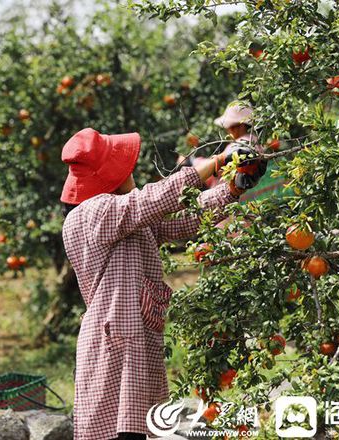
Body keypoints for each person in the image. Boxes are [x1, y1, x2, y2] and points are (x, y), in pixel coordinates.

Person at [60, 128, 265, 440]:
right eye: (125, 168)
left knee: (138, 429)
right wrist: (216, 162)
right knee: (117, 431)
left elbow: (184, 220)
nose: (132, 173)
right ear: (110, 177)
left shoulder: (124, 218)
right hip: (112, 342)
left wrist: (233, 189)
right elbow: (151, 200)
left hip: (135, 338)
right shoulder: (92, 214)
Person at [178, 102, 260, 188]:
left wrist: (192, 161)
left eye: (231, 126)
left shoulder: (241, 144)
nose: (228, 130)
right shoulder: (253, 140)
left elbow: (218, 165)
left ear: (241, 126)